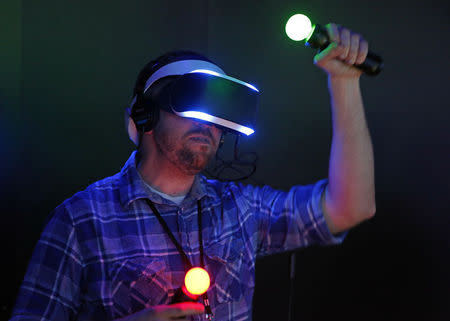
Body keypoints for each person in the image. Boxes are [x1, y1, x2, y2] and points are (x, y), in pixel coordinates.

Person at [10, 23, 375, 321]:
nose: (209, 126)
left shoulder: (239, 208)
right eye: (192, 107)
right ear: (143, 117)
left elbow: (351, 207)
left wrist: (344, 83)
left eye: (219, 115)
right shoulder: (81, 220)